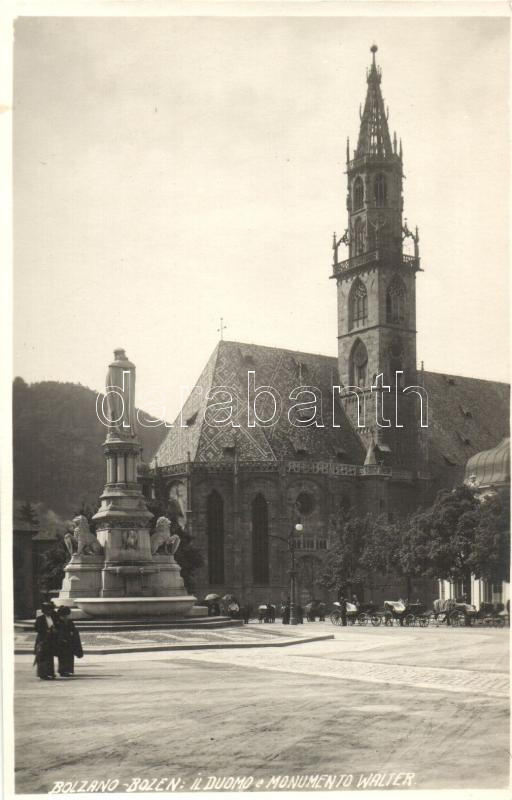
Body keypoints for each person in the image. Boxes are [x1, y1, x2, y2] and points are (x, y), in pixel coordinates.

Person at [34, 601, 59, 680]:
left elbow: (57, 625)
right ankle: (42, 674)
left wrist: (55, 630)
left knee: (50, 657)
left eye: (50, 610)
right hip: (42, 639)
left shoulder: (53, 617)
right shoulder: (40, 619)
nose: (49, 612)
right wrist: (46, 630)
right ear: (44, 611)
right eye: (48, 610)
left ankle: (50, 672)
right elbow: (37, 629)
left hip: (51, 640)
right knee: (42, 657)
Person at [56, 606, 83, 676]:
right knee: (62, 657)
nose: (66, 616)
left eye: (66, 615)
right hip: (62, 642)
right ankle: (62, 670)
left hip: (69, 641)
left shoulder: (69, 621)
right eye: (64, 615)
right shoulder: (58, 622)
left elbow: (74, 630)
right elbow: (58, 632)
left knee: (69, 656)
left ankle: (68, 670)